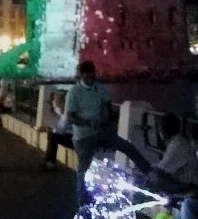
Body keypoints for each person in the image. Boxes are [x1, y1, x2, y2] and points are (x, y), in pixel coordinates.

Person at [65, 61, 153, 189]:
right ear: (81, 75)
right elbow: (70, 117)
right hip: (84, 136)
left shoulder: (99, 88)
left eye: (92, 77)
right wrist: (88, 123)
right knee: (84, 166)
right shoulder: (74, 93)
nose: (90, 80)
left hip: (101, 131)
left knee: (127, 147)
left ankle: (150, 173)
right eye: (87, 77)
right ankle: (81, 194)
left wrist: (107, 119)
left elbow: (107, 106)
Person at [144, 113, 198, 195]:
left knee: (155, 180)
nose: (159, 132)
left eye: (160, 129)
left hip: (191, 187)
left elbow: (160, 170)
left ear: (164, 131)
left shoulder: (176, 145)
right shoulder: (178, 141)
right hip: (188, 183)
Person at [41, 89, 73, 170]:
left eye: (55, 106)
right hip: (72, 137)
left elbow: (61, 130)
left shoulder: (67, 114)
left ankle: (50, 162)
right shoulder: (64, 114)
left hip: (75, 139)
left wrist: (48, 129)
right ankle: (49, 159)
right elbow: (59, 127)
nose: (55, 109)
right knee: (52, 135)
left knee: (53, 136)